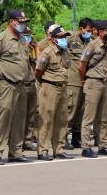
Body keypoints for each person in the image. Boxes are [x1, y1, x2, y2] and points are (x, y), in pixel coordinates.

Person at [0, 9, 31, 165]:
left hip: (21, 85)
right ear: (12, 22)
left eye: (24, 22)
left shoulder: (22, 39)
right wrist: (0, 76)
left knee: (19, 120)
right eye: (21, 22)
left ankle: (15, 152)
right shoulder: (0, 39)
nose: (23, 24)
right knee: (2, 119)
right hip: (6, 84)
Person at [79, 20, 107, 158]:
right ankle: (86, 147)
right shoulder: (92, 45)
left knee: (103, 117)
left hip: (104, 82)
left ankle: (103, 145)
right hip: (93, 82)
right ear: (100, 32)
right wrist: (84, 80)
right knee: (89, 117)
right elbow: (82, 65)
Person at [35, 25, 73, 160]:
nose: (64, 39)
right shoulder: (47, 53)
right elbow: (38, 71)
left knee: (62, 120)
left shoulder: (66, 52)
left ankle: (59, 149)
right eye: (61, 37)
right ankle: (43, 150)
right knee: (46, 119)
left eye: (65, 37)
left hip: (63, 87)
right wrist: (45, 83)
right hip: (50, 87)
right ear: (53, 39)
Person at [65, 17, 94, 148]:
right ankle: (63, 137)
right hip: (72, 80)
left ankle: (76, 137)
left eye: (91, 31)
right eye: (88, 30)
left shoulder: (91, 42)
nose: (90, 33)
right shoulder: (70, 39)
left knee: (81, 110)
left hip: (86, 79)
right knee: (70, 110)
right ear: (81, 29)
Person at [22, 30, 39, 151]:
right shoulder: (19, 48)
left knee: (31, 114)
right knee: (20, 115)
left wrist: (36, 48)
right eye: (26, 35)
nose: (29, 38)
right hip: (21, 84)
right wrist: (25, 47)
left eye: (29, 35)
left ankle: (28, 140)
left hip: (31, 82)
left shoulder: (32, 49)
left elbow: (38, 64)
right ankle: (17, 141)